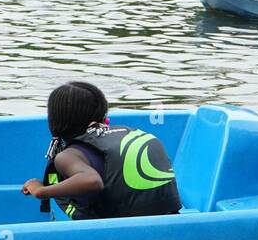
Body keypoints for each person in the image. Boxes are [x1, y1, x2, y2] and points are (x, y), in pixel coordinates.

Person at [22, 82, 181, 220]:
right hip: (170, 219)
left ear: (55, 122)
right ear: (104, 117)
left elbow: (92, 181)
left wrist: (41, 191)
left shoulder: (67, 156)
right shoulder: (129, 132)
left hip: (125, 231)